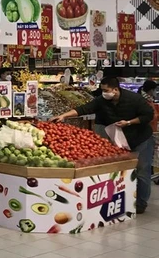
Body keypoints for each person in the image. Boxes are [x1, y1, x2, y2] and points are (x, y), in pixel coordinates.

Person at [51, 76, 154, 214]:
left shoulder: (134, 99)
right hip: (122, 140)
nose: (103, 93)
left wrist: (129, 122)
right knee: (123, 170)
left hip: (141, 139)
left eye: (106, 90)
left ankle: (141, 203)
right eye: (102, 90)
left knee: (142, 171)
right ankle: (125, 198)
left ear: (115, 89)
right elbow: (84, 108)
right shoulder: (102, 100)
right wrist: (64, 115)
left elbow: (148, 115)